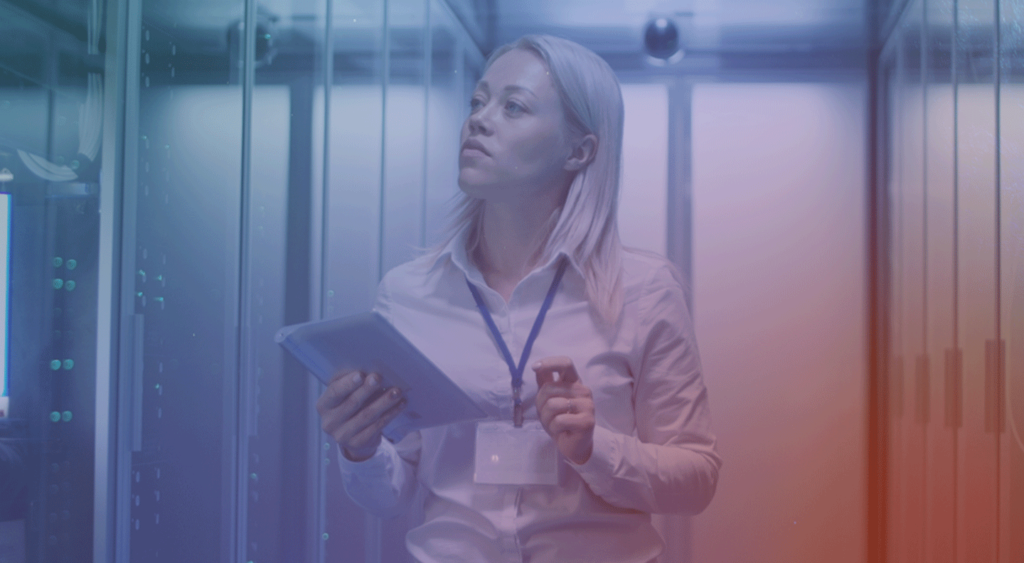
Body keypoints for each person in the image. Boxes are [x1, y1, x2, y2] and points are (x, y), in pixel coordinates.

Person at [316, 34, 720, 562]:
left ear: (580, 151)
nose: (479, 120)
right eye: (477, 102)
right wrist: (360, 447)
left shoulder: (644, 290)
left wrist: (593, 447)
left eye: (514, 107)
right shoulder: (408, 293)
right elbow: (393, 494)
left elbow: (696, 480)